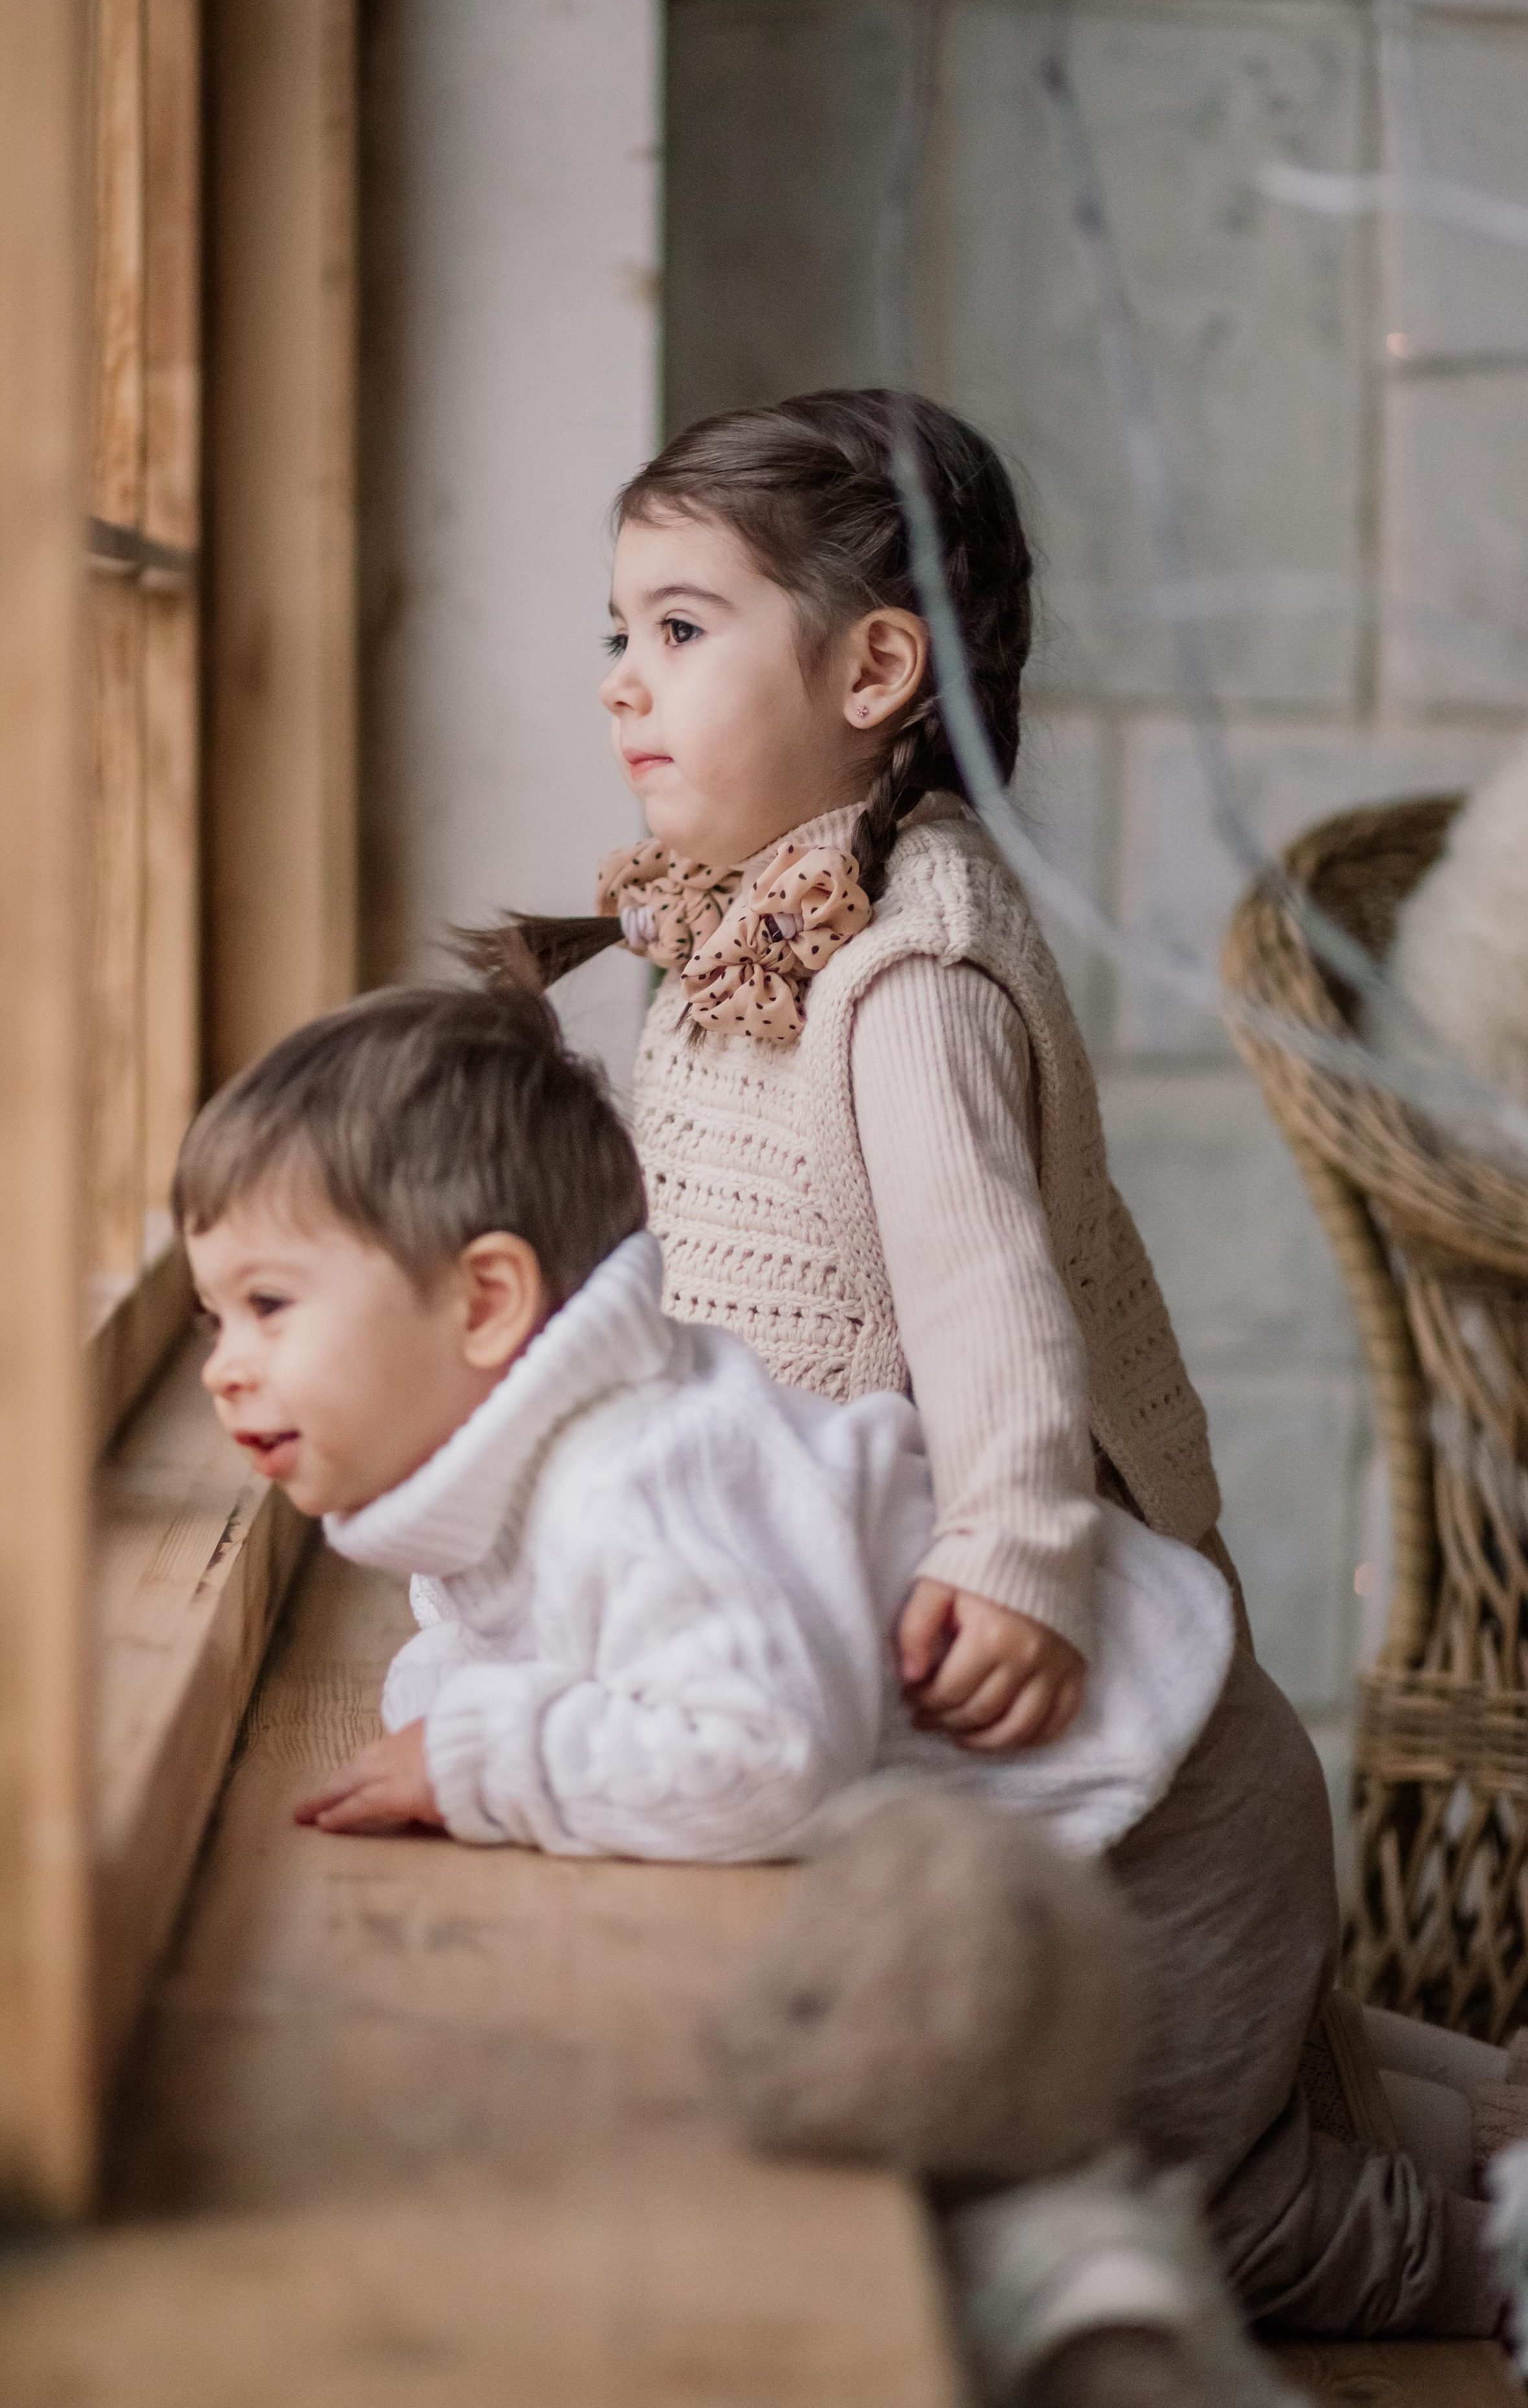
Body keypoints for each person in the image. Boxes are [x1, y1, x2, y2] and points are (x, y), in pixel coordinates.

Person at [445, 387, 1510, 2338]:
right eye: (618, 631)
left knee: (1175, 2205)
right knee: (1274, 2081)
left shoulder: (901, 972)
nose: (622, 681)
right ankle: (1491, 2135)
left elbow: (996, 1305)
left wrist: (1011, 1548)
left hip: (1124, 1766)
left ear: (872, 667)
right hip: (1063, 1762)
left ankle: (1474, 2270)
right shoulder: (748, 937)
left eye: (680, 630)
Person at [176, 984, 1232, 1871]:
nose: (225, 1369)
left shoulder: (634, 1476)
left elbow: (762, 1762)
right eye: (213, 1318)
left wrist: (481, 1760)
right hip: (1108, 1801)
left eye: (268, 1306)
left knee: (1162, 2125)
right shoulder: (516, 1488)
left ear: (486, 1301)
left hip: (1165, 1799)